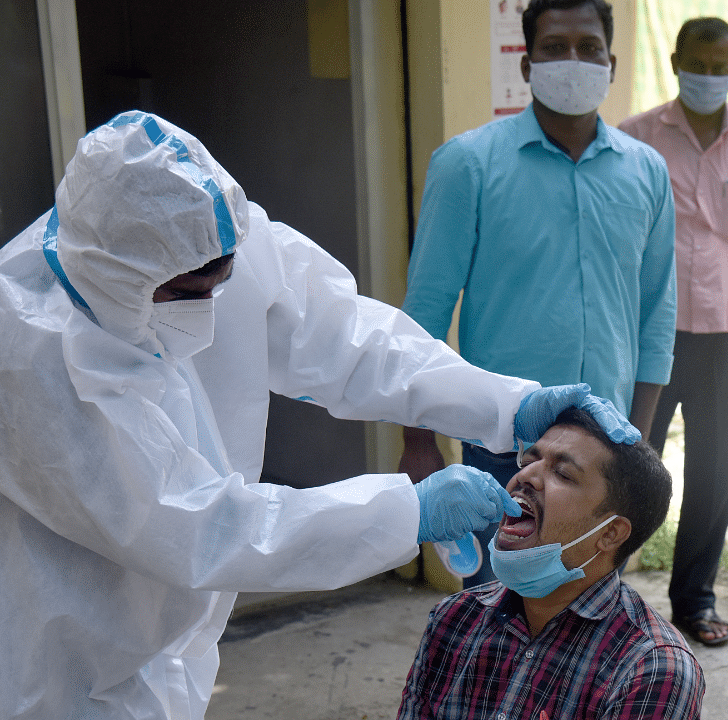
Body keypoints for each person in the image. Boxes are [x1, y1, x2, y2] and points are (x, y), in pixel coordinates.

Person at [0, 111, 639, 719]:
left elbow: (356, 344)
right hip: (56, 669)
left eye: (223, 282)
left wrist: (507, 403)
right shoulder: (29, 351)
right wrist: (406, 511)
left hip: (176, 650)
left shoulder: (209, 237)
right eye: (188, 294)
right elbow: (198, 527)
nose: (212, 307)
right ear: (121, 278)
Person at [399, 0, 677, 587]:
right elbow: (424, 314)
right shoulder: (469, 164)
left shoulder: (646, 171)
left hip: (609, 446)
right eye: (554, 47)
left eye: (588, 47)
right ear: (526, 65)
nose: (572, 60)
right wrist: (418, 442)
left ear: (612, 61)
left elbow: (656, 314)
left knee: (590, 617)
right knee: (495, 611)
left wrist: (641, 440)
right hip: (504, 447)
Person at [618, 16, 728, 646]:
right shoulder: (634, 140)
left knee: (716, 473)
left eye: (720, 68)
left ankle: (695, 601)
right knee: (631, 466)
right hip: (651, 337)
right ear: (675, 61)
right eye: (698, 64)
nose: (708, 77)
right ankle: (606, 598)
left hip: (727, 336)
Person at [398, 407, 704, 720]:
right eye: (529, 461)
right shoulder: (454, 620)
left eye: (562, 474)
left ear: (611, 533)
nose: (525, 476)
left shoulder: (651, 670)